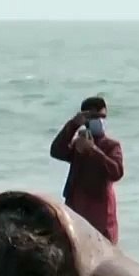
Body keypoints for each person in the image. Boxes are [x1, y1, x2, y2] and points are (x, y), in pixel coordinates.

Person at [49, 96, 124, 243]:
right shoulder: (78, 145)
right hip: (76, 210)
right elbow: (57, 151)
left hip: (101, 214)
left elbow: (117, 172)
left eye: (103, 116)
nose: (100, 121)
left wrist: (94, 151)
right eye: (95, 117)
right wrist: (73, 125)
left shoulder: (111, 146)